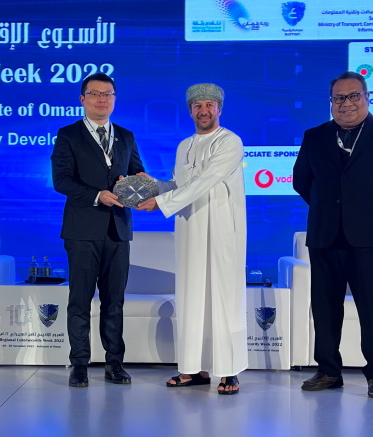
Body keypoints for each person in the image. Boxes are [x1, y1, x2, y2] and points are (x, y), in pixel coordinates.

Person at [293, 71, 373, 399]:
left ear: (366, 98)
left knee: (372, 306)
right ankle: (328, 370)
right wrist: (329, 209)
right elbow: (301, 181)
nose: (346, 103)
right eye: (339, 98)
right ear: (331, 102)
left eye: (353, 96)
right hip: (325, 234)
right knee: (325, 306)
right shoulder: (314, 136)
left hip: (371, 235)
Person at [137, 83, 248, 395]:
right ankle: (194, 369)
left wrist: (162, 203)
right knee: (191, 296)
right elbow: (181, 184)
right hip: (189, 228)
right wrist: (156, 186)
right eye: (197, 106)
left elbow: (207, 180)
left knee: (223, 296)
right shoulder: (184, 145)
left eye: (209, 105)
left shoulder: (230, 141)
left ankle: (228, 371)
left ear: (219, 108)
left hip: (222, 230)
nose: (204, 111)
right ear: (190, 111)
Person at [51, 73, 145, 387]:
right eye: (95, 94)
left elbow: (137, 174)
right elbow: (61, 180)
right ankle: (79, 364)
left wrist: (136, 184)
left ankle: (114, 363)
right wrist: (96, 195)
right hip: (82, 230)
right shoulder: (68, 135)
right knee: (79, 300)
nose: (102, 99)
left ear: (114, 99)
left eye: (108, 94)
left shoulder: (126, 136)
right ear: (83, 99)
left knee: (114, 301)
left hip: (118, 230)